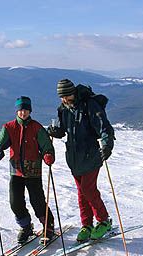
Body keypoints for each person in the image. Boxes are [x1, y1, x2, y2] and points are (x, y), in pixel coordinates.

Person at [47, 79, 115, 242]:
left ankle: (104, 221)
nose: (64, 100)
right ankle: (87, 225)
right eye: (61, 97)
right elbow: (63, 131)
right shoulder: (63, 109)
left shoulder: (89, 105)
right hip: (74, 157)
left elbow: (104, 127)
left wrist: (107, 145)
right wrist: (54, 131)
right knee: (81, 192)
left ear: (73, 92)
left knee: (88, 189)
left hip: (91, 153)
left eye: (66, 96)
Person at [0, 96, 56, 244]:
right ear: (17, 111)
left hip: (33, 171)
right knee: (15, 202)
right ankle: (26, 227)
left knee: (38, 201)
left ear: (30, 111)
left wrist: (48, 155)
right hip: (16, 171)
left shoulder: (37, 128)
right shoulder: (9, 128)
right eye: (20, 110)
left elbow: (47, 147)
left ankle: (48, 226)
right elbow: (0, 147)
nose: (23, 113)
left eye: (26, 110)